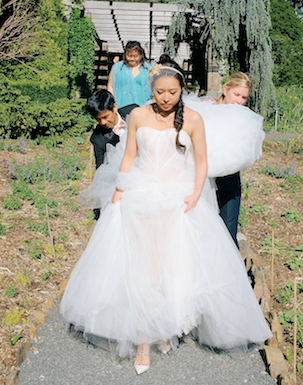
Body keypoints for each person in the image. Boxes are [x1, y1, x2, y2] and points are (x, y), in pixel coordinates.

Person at [61, 55, 271, 375]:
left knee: (173, 263)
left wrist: (196, 193)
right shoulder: (138, 117)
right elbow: (129, 154)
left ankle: (167, 324)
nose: (166, 98)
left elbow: (201, 162)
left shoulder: (194, 119)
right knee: (143, 263)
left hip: (179, 194)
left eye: (172, 92)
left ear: (181, 89)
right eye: (160, 92)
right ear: (152, 89)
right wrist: (119, 189)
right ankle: (144, 336)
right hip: (141, 192)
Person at [212, 72, 253, 246]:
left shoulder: (243, 117)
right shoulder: (210, 109)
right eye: (236, 95)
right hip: (206, 175)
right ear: (225, 89)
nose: (239, 101)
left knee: (229, 227)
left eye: (244, 97)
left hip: (229, 175)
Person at [85, 90, 137, 219]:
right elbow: (102, 170)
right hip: (124, 178)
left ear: (114, 107)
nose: (102, 122)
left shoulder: (134, 111)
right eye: (98, 119)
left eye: (105, 117)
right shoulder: (98, 139)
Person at [107, 41, 152, 108]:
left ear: (140, 55)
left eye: (135, 56)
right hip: (121, 107)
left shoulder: (148, 68)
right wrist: (112, 103)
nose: (132, 59)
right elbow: (110, 85)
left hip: (143, 108)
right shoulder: (117, 68)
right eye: (129, 56)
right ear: (125, 55)